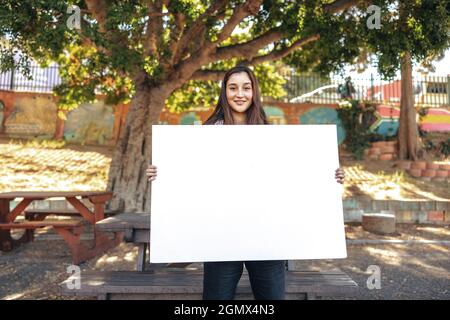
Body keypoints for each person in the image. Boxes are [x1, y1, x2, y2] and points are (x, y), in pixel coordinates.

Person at [146, 65, 345, 300]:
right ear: (224, 92)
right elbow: (193, 178)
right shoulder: (206, 134)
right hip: (220, 235)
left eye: (246, 88)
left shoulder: (272, 134)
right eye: (232, 88)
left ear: (254, 92)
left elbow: (290, 179)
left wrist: (329, 175)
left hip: (267, 236)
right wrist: (163, 174)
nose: (239, 94)